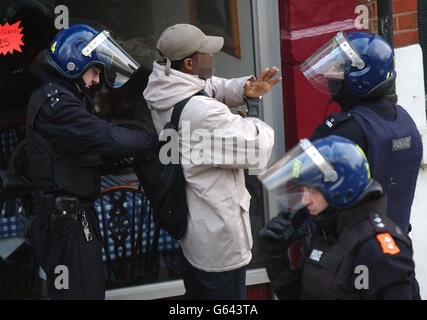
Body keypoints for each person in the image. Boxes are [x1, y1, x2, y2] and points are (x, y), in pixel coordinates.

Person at [142, 23, 280, 299]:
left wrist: (244, 88)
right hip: (219, 243)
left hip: (194, 230)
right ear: (190, 63)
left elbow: (209, 88)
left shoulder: (163, 86)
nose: (212, 58)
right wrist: (251, 112)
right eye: (207, 54)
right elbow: (257, 147)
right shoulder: (201, 113)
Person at [26, 24, 157, 299]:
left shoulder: (61, 96)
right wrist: (156, 142)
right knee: (77, 294)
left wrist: (131, 155)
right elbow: (105, 137)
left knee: (88, 291)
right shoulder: (57, 105)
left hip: (71, 218)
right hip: (64, 224)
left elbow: (85, 152)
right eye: (95, 71)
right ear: (73, 62)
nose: (97, 80)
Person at [258, 135, 420, 300]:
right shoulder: (328, 233)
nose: (304, 200)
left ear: (340, 189)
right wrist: (276, 257)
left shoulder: (376, 248)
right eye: (302, 190)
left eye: (312, 190)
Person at [301, 31, 422, 234]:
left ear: (362, 77)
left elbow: (306, 186)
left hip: (349, 256)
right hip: (396, 251)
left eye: (338, 67)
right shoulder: (404, 119)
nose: (328, 73)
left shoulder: (345, 130)